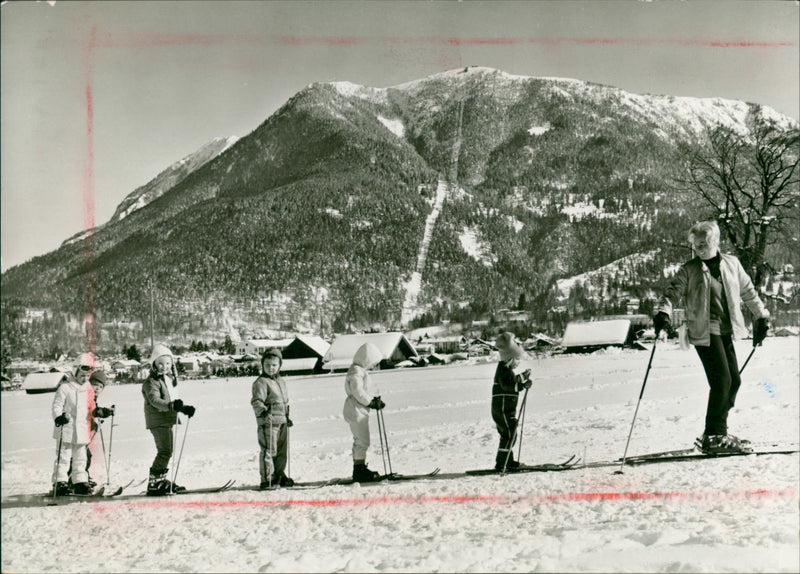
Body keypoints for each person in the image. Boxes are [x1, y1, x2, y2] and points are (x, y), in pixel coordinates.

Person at [654, 220, 770, 454]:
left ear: (715, 242)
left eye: (704, 243)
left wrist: (761, 317)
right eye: (696, 245)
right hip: (704, 332)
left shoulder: (732, 264)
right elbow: (672, 292)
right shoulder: (689, 270)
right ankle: (714, 435)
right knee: (721, 381)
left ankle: (719, 431)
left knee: (734, 381)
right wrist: (663, 312)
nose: (699, 248)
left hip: (727, 330)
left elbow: (748, 291)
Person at [51, 353, 112, 495]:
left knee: (81, 458)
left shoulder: (88, 389)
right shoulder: (65, 387)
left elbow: (91, 407)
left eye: (87, 377)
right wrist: (59, 417)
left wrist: (100, 412)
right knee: (63, 457)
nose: (85, 379)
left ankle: (79, 482)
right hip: (66, 428)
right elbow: (57, 405)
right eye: (82, 376)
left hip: (82, 430)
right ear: (75, 371)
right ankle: (60, 482)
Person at [142, 344, 196, 496]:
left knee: (166, 451)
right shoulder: (151, 381)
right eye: (160, 363)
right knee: (165, 451)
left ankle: (159, 480)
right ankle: (154, 483)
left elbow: (172, 401)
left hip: (166, 419)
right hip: (158, 420)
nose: (164, 367)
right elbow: (155, 400)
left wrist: (183, 408)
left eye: (167, 363)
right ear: (153, 364)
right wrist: (172, 405)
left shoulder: (168, 379)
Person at [250, 349, 294, 489]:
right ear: (262, 365)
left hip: (281, 421)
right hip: (268, 422)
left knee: (282, 451)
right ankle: (267, 479)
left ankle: (279, 475)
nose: (271, 368)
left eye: (274, 365)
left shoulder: (281, 381)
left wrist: (287, 417)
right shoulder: (261, 382)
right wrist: (263, 413)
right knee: (269, 450)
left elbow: (283, 402)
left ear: (279, 366)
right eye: (267, 365)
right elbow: (257, 401)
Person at [342, 343, 385, 483]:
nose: (373, 365)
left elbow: (362, 391)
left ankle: (359, 467)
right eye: (372, 362)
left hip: (358, 408)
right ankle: (359, 471)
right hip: (356, 409)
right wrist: (371, 402)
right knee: (362, 440)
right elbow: (358, 391)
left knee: (360, 440)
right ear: (367, 359)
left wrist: (372, 399)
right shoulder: (356, 371)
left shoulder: (358, 370)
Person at [492, 332, 533, 471]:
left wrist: (523, 384)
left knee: (509, 434)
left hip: (506, 410)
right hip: (502, 410)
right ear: (510, 358)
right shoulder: (503, 371)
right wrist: (522, 379)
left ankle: (506, 461)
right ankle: (502, 463)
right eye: (517, 360)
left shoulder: (507, 371)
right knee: (509, 434)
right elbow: (510, 385)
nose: (518, 363)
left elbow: (513, 387)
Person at [68, 369, 114, 489]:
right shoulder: (84, 396)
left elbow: (95, 410)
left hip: (84, 434)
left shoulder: (91, 398)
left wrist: (105, 412)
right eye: (95, 385)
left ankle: (82, 478)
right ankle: (74, 480)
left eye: (100, 386)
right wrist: (101, 412)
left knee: (84, 457)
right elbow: (90, 411)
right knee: (81, 457)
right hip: (77, 433)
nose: (97, 388)